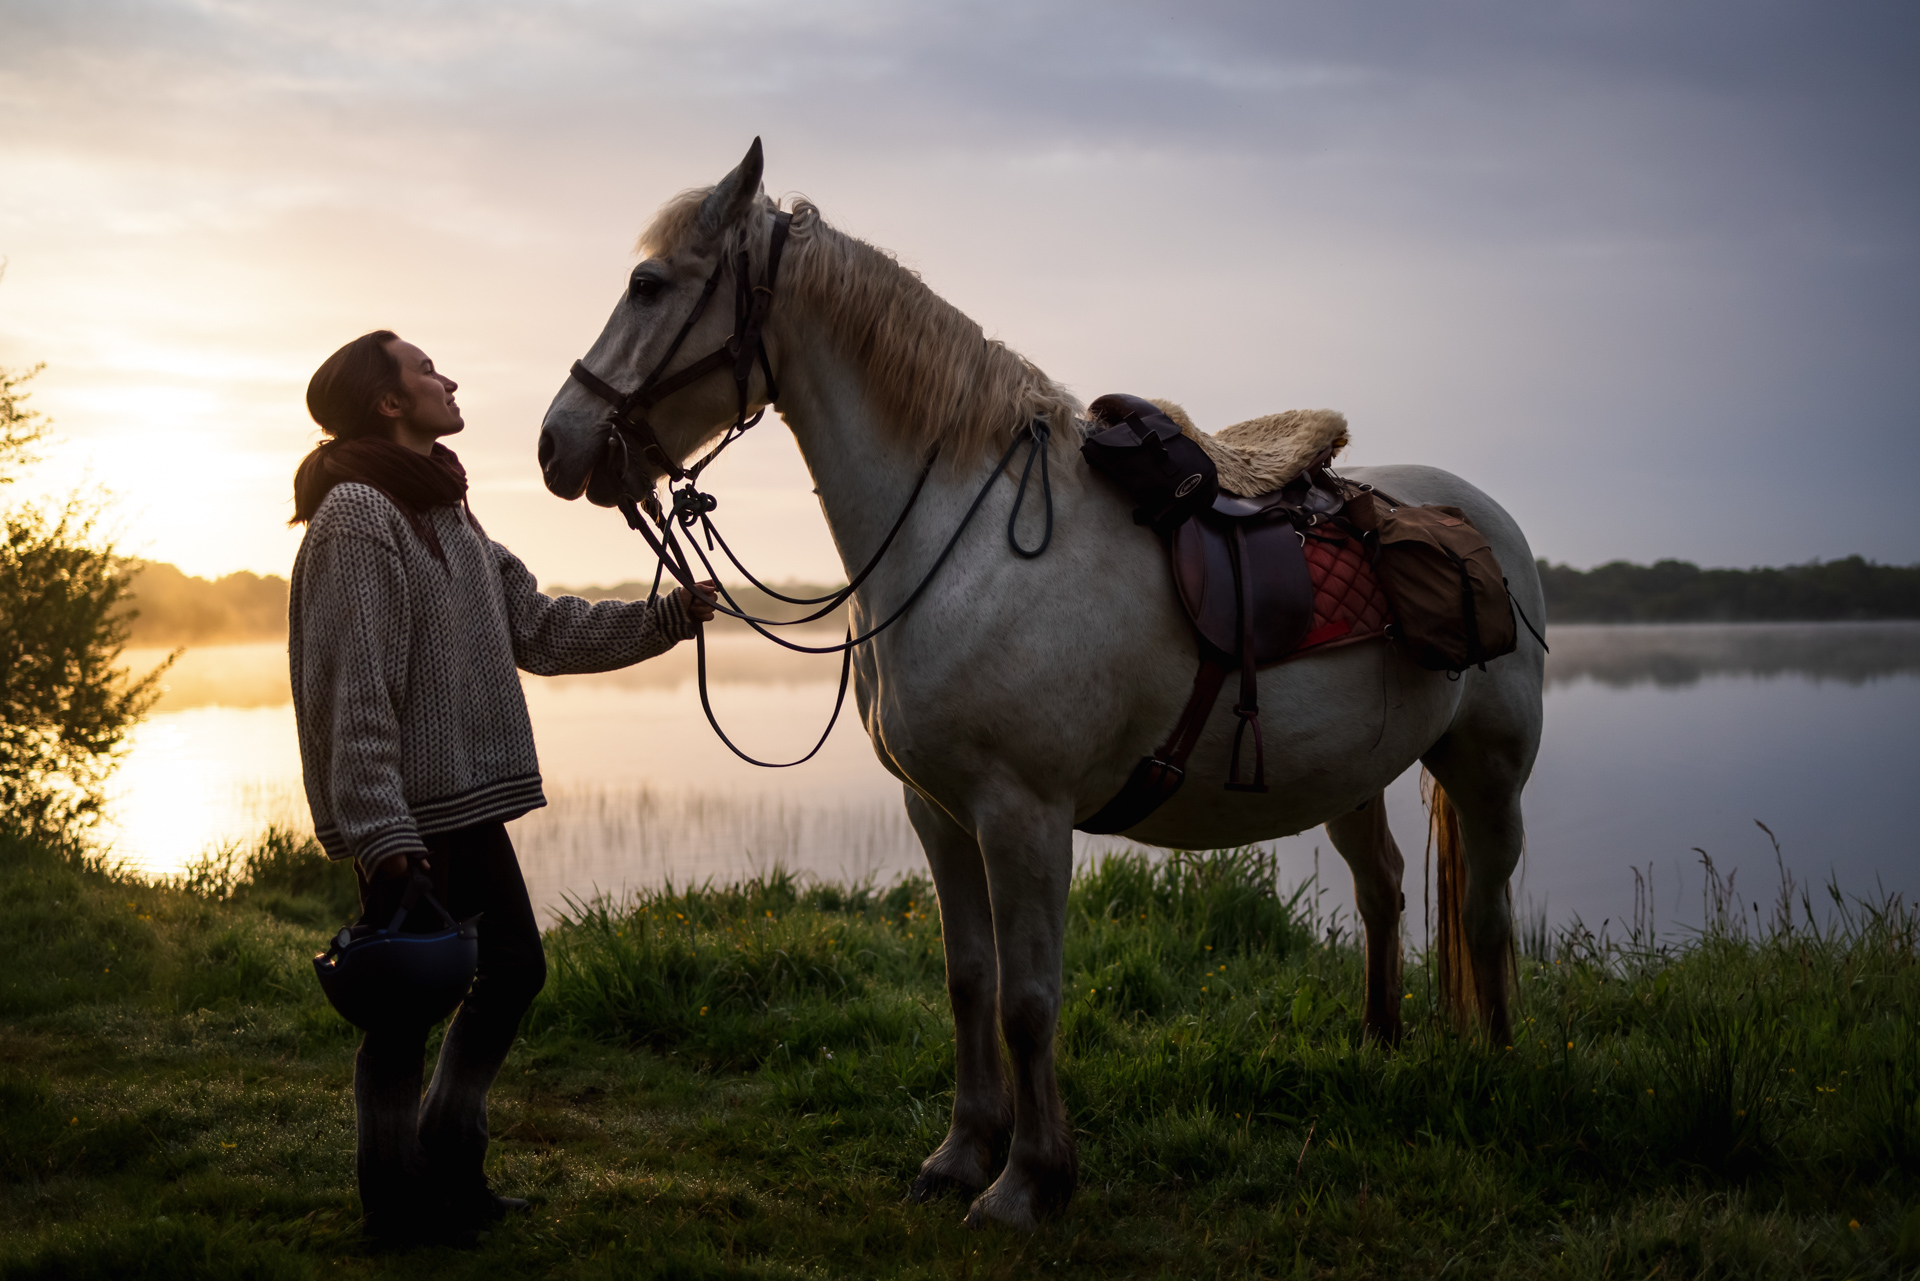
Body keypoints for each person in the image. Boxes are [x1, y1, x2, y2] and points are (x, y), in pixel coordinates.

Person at [289, 330, 713, 1243]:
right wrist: (379, 830)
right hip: (409, 816)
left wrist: (669, 618)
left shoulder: (451, 512)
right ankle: (395, 1207)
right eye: (425, 369)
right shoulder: (360, 515)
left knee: (514, 970)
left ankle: (448, 1150)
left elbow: (542, 629)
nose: (448, 378)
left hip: (466, 802)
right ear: (388, 402)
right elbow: (352, 687)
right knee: (404, 1012)